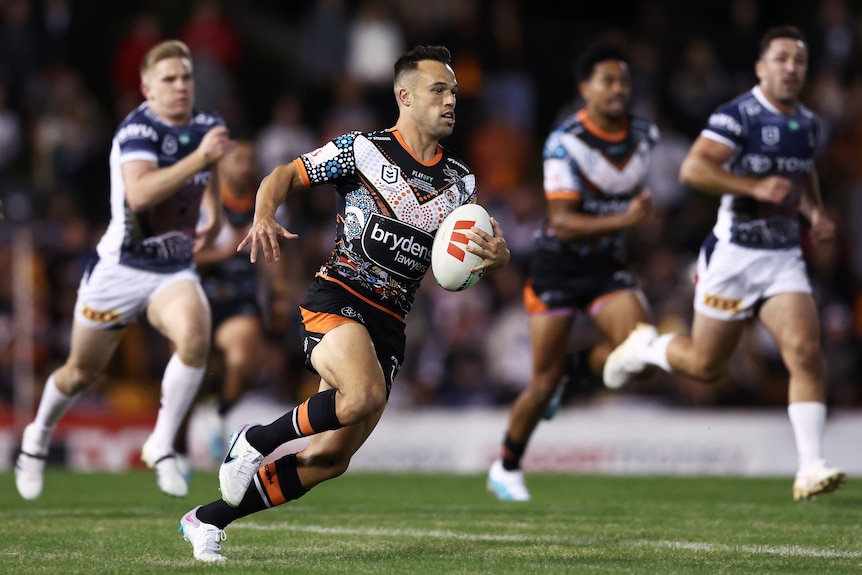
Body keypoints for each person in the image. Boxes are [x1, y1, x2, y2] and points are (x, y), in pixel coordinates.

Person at [178, 45, 511, 562]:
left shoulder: (461, 182)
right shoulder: (362, 150)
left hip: (391, 322)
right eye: (438, 90)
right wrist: (263, 215)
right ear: (405, 96)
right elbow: (284, 175)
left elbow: (455, 269)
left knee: (330, 458)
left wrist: (496, 258)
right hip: (339, 297)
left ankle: (206, 519)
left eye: (455, 93)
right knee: (361, 396)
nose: (450, 102)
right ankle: (255, 438)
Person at [602, 25, 846, 501]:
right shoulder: (738, 116)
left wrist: (814, 211)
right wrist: (754, 189)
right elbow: (693, 169)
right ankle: (647, 346)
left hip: (782, 258)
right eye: (781, 59)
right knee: (706, 365)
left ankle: (810, 466)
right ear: (761, 67)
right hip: (733, 258)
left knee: (804, 349)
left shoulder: (808, 123)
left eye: (798, 60)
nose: (791, 68)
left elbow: (802, 169)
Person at [14, 39, 231, 500]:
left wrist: (212, 222)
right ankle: (36, 437)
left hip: (171, 271)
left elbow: (207, 178)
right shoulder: (138, 131)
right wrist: (201, 158)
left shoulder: (208, 124)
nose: (179, 86)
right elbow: (139, 195)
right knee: (80, 372)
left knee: (195, 335)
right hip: (119, 270)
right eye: (168, 79)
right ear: (147, 88)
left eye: (186, 77)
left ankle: (162, 443)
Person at [486, 41, 658, 502]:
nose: (619, 88)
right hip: (558, 265)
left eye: (623, 80)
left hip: (606, 266)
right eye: (608, 80)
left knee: (639, 352)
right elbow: (562, 220)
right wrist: (625, 220)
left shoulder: (646, 135)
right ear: (585, 89)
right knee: (541, 383)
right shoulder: (564, 142)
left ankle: (573, 372)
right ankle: (506, 466)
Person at [175, 137, 284, 464]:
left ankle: (219, 413)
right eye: (238, 159)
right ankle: (177, 447)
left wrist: (278, 297)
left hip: (240, 299)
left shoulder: (264, 203)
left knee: (244, 363)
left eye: (250, 160)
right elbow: (178, 259)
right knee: (189, 380)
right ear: (221, 164)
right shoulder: (198, 204)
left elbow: (276, 255)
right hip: (197, 300)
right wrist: (223, 252)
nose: (246, 167)